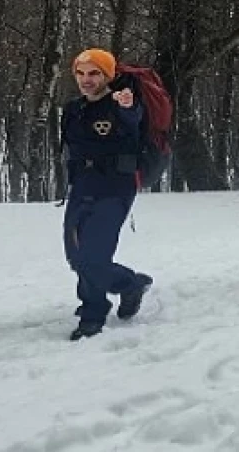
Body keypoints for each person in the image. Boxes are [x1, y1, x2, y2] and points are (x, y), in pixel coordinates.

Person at [60, 48, 153, 341]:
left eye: (94, 73)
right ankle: (125, 285)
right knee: (76, 255)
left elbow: (133, 117)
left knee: (94, 255)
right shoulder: (73, 109)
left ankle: (94, 311)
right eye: (81, 73)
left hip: (114, 188)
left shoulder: (121, 104)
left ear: (107, 76)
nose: (86, 80)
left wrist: (127, 106)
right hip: (82, 187)